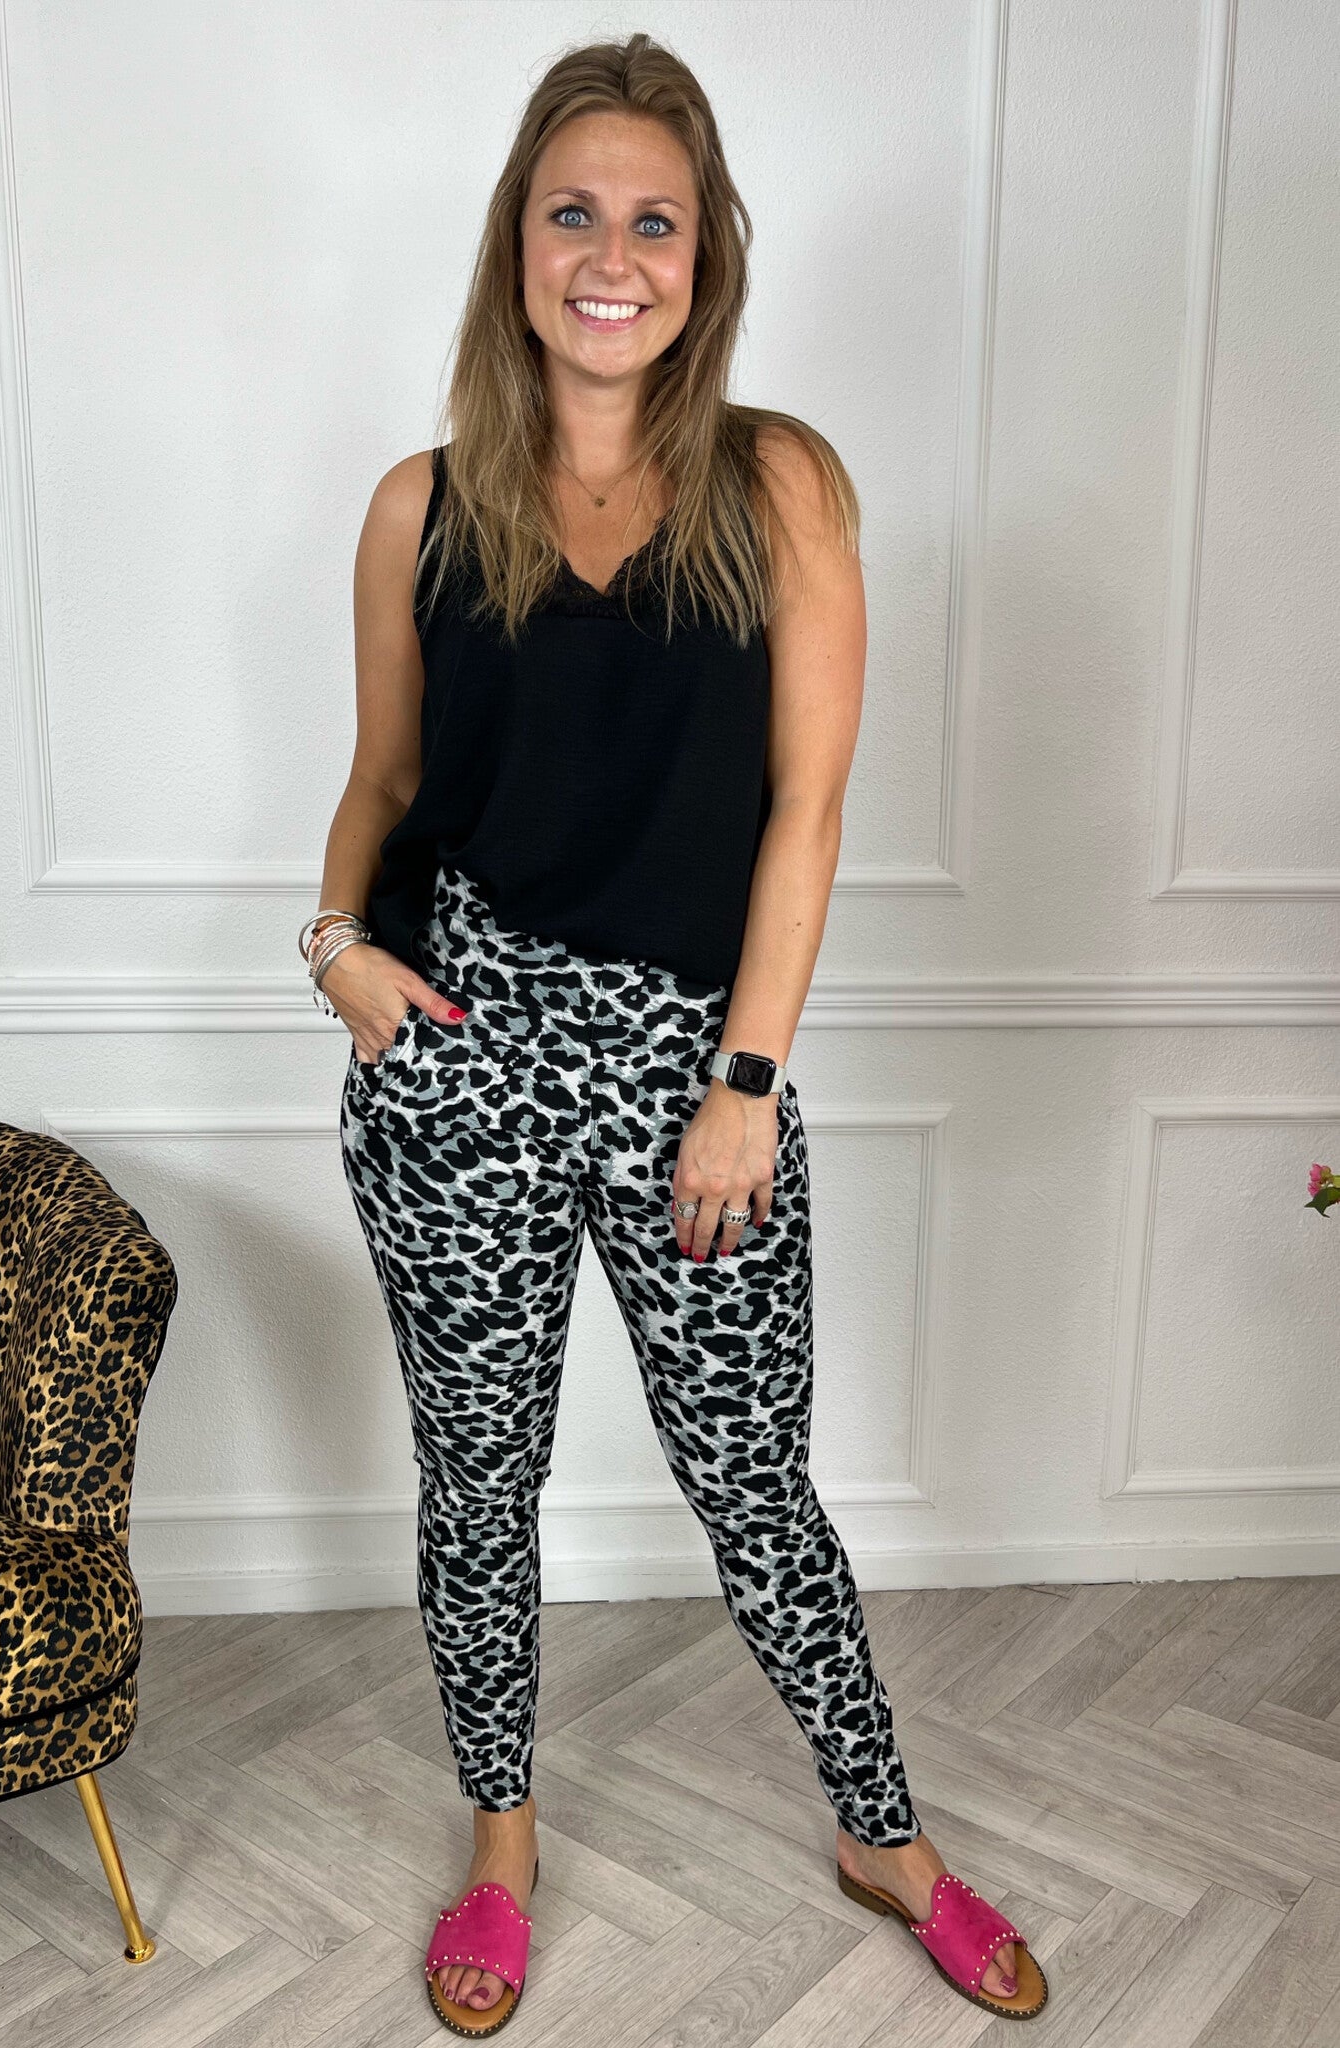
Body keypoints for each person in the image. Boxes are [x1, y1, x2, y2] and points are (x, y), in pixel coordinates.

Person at [304, 31, 1046, 2035]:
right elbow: (383, 782)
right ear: (516, 243)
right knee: (479, 1481)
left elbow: (806, 811)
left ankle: (883, 1836)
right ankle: (501, 1841)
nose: (609, 257)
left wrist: (742, 1085)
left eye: (653, 220)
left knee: (751, 1483)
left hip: (685, 1069)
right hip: (453, 1056)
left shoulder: (775, 485)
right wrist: (336, 949)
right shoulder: (418, 508)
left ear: (704, 256)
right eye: (573, 214)